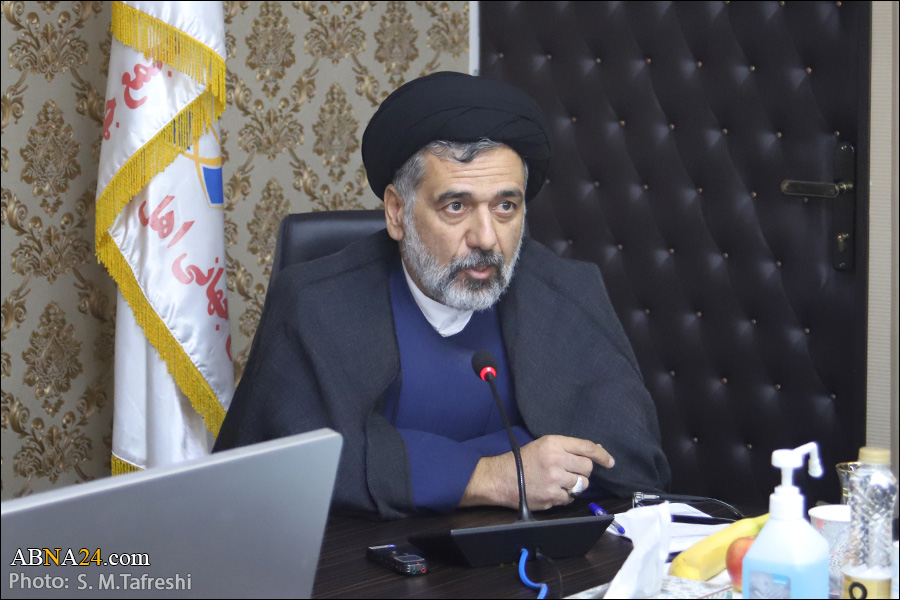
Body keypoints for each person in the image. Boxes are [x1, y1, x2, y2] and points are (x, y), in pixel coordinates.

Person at [214, 72, 670, 519]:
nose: (486, 238)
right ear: (397, 212)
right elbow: (290, 470)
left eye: (505, 206)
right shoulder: (316, 303)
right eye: (456, 206)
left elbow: (631, 457)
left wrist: (411, 462)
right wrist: (493, 474)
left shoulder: (565, 292)